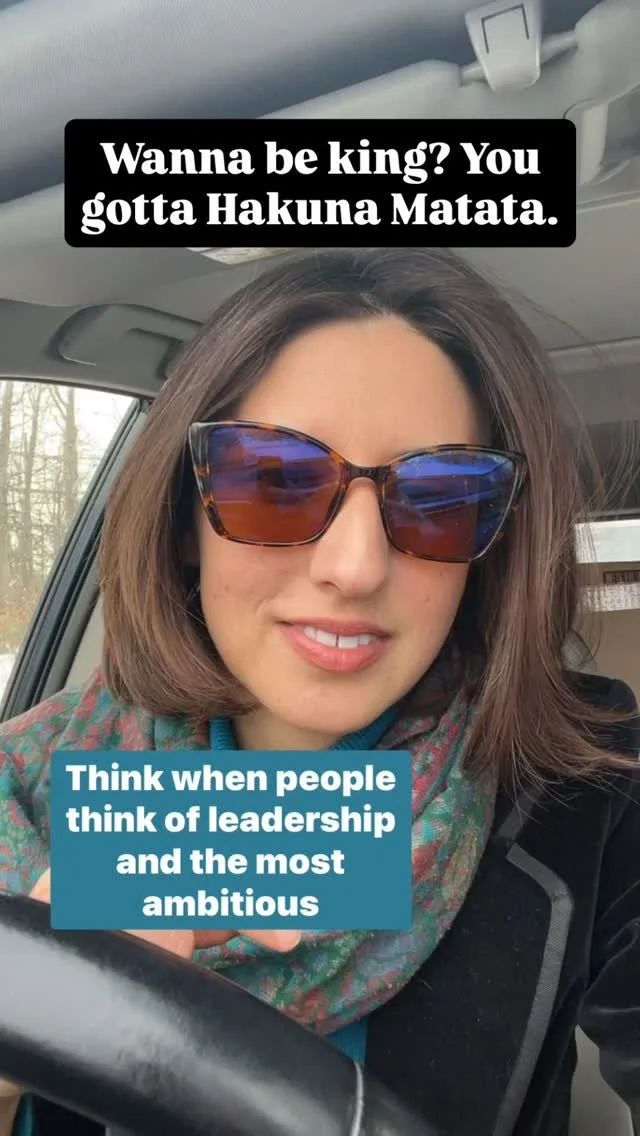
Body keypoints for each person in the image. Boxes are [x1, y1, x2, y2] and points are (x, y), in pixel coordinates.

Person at [0, 246, 638, 1136]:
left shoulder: (589, 782)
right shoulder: (25, 786)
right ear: (185, 521)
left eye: (440, 497)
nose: (356, 566)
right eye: (273, 480)